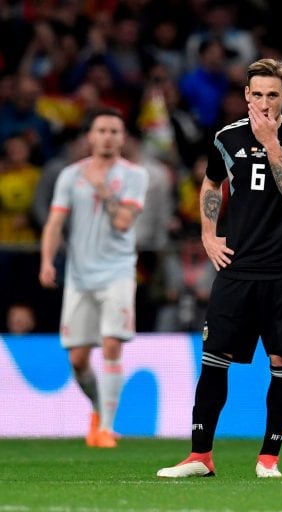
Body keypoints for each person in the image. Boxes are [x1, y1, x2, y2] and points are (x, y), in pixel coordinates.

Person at [157, 59, 282, 479]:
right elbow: (212, 182)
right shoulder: (227, 138)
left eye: (273, 94)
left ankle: (269, 458)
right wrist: (209, 235)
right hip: (238, 264)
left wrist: (271, 145)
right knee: (214, 357)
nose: (264, 103)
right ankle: (200, 457)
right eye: (257, 94)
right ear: (246, 95)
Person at [38, 107, 149, 449]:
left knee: (112, 343)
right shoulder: (70, 175)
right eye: (101, 130)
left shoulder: (134, 175)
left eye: (114, 131)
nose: (107, 137)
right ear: (90, 136)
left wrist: (105, 193)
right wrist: (46, 261)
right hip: (79, 276)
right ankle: (99, 411)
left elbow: (123, 223)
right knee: (78, 359)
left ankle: (107, 428)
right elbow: (55, 222)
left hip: (117, 272)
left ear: (123, 138)